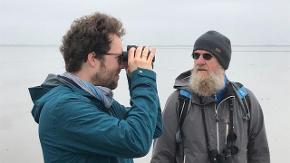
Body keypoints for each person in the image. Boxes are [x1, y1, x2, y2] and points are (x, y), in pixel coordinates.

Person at [29, 12, 162, 163]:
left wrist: (137, 76)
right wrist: (143, 77)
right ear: (93, 59)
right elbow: (137, 141)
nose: (122, 65)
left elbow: (153, 127)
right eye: (119, 58)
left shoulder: (96, 101)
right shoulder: (63, 108)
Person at [151, 30, 270, 163]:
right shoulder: (179, 101)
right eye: (195, 55)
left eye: (207, 56)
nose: (199, 61)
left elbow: (260, 155)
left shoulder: (246, 101)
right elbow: (161, 155)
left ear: (222, 62)